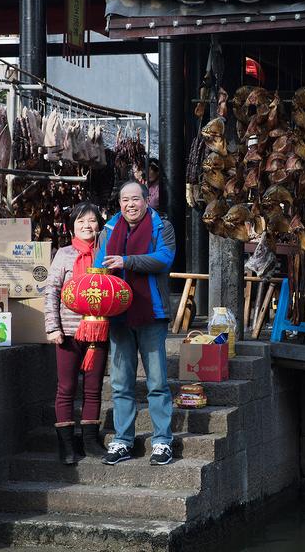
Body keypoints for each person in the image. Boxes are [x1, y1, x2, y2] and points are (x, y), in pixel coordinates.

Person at [94, 180, 176, 466]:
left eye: (135, 199)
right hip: (119, 314)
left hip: (151, 312)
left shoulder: (161, 226)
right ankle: (123, 440)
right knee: (120, 382)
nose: (130, 204)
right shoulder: (109, 229)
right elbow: (98, 265)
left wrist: (127, 262)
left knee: (157, 381)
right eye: (124, 200)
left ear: (146, 200)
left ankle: (163, 441)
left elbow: (164, 259)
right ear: (119, 204)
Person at [44, 201, 107, 465]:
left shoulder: (106, 253)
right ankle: (67, 445)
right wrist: (53, 328)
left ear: (99, 225)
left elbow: (113, 291)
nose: (86, 226)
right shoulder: (64, 254)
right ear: (73, 226)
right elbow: (51, 292)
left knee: (93, 389)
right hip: (68, 333)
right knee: (66, 388)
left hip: (99, 332)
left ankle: (91, 441)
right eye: (81, 221)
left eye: (92, 220)